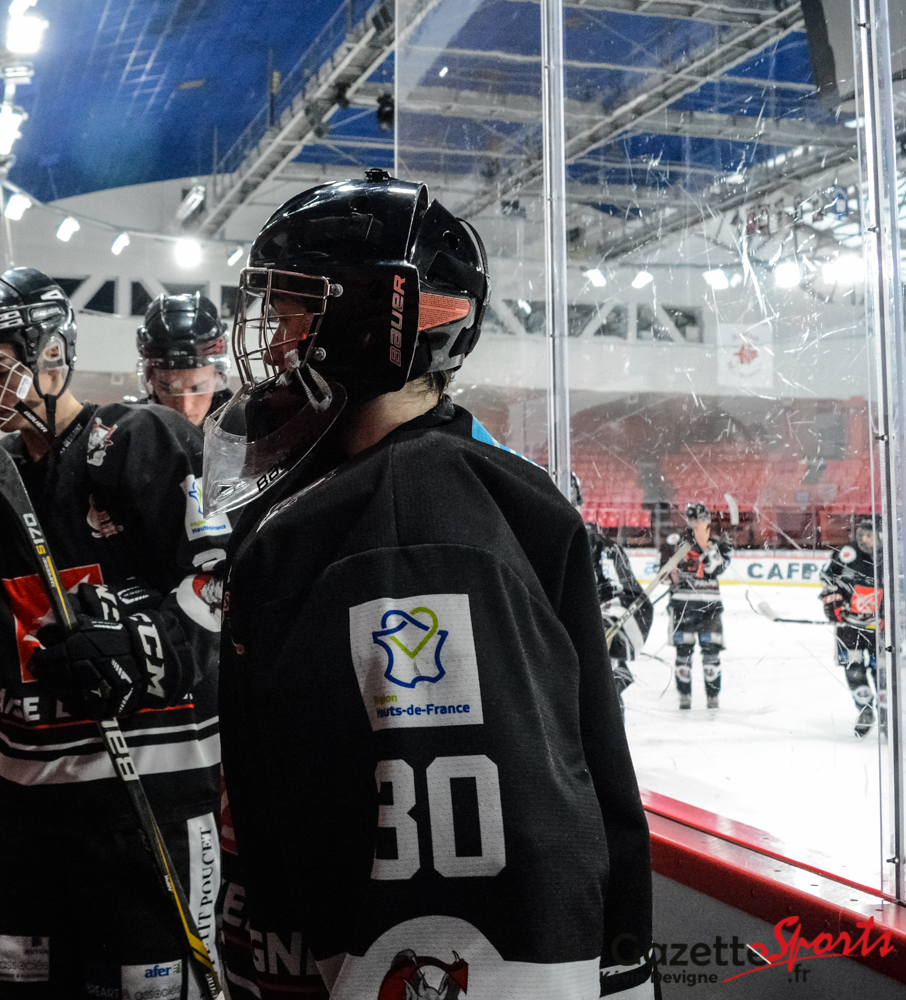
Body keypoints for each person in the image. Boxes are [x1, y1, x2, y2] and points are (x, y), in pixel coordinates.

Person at [208, 170, 654, 999]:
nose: (269, 344)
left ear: (371, 321)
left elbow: (468, 867)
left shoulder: (414, 529)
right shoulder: (375, 493)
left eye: (292, 310)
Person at [0, 266, 230, 998]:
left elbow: (218, 585)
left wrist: (139, 647)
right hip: (21, 798)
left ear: (50, 353)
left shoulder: (141, 439)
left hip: (146, 790)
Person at [572, 476, 652, 715]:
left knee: (604, 704)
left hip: (593, 655)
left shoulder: (596, 544)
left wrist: (605, 627)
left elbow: (629, 596)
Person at [659, 502, 731, 710]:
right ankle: (684, 696)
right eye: (695, 519)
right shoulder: (675, 541)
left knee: (711, 654)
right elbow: (661, 573)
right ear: (688, 520)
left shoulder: (718, 543)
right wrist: (669, 575)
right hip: (683, 606)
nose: (699, 522)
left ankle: (713, 697)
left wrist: (707, 546)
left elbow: (717, 569)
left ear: (708, 519)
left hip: (710, 608)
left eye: (703, 518)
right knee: (683, 653)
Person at [131, 292, 233, 426]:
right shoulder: (131, 429)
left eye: (198, 388)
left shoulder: (246, 428)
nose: (185, 408)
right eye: (169, 389)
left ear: (218, 376)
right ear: (151, 378)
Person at [820, 515, 882, 737]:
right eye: (862, 534)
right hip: (849, 629)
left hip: (880, 630)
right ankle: (864, 710)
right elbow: (828, 579)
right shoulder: (847, 554)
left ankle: (886, 711)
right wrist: (834, 603)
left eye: (870, 535)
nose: (864, 539)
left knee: (883, 671)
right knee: (854, 670)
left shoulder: (892, 557)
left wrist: (896, 616)